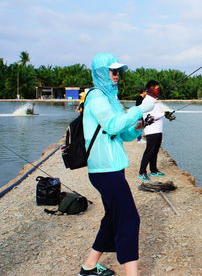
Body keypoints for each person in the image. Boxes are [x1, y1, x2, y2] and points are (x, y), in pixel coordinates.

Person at [79, 53, 155, 276]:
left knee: (113, 218)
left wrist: (137, 126)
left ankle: (89, 267)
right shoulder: (96, 97)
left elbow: (121, 135)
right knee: (129, 218)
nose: (117, 75)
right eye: (113, 71)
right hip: (104, 170)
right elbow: (112, 125)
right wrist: (140, 109)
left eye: (118, 71)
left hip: (113, 168)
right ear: (102, 72)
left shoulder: (111, 98)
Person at [137, 80, 166, 181]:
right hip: (151, 130)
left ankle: (153, 170)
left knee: (155, 151)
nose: (158, 90)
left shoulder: (155, 100)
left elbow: (161, 111)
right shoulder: (147, 101)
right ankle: (142, 172)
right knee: (149, 151)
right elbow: (149, 117)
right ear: (151, 88)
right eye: (156, 88)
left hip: (158, 129)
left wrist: (167, 113)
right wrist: (164, 114)